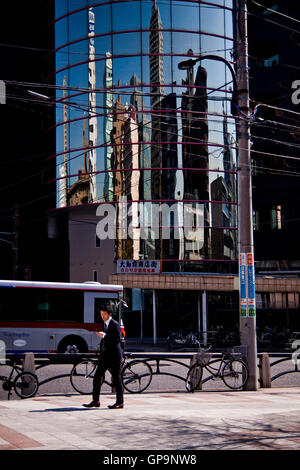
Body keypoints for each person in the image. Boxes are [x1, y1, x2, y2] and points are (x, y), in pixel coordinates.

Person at [83, 303, 124, 409]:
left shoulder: (114, 324)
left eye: (104, 314)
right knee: (97, 377)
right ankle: (96, 401)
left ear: (110, 314)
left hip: (114, 355)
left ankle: (120, 402)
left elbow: (117, 339)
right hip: (105, 355)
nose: (102, 316)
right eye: (101, 314)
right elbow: (105, 340)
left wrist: (105, 335)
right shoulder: (104, 324)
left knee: (116, 378)